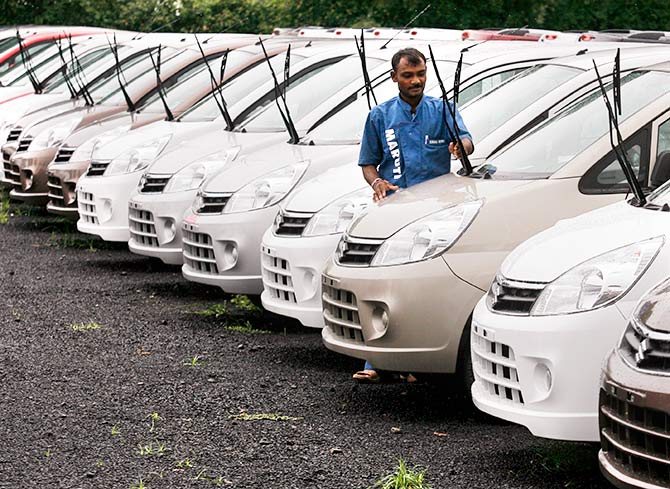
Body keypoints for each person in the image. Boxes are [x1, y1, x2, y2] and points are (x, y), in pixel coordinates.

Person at [353, 47, 474, 383]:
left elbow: (467, 140)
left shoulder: (441, 109)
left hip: (437, 211)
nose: (416, 81)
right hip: (397, 209)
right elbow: (367, 164)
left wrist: (460, 146)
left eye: (420, 74)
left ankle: (415, 365)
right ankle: (374, 362)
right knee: (385, 284)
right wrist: (377, 182)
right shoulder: (380, 116)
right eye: (408, 75)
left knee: (422, 285)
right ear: (394, 77)